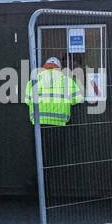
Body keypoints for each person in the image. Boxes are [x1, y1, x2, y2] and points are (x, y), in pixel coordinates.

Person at [25, 56, 83, 201]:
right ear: (59, 68)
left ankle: (37, 191)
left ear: (45, 66)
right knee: (54, 160)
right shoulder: (66, 80)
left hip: (39, 125)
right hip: (58, 125)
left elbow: (27, 100)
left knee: (39, 157)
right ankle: (51, 193)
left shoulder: (34, 80)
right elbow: (78, 99)